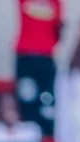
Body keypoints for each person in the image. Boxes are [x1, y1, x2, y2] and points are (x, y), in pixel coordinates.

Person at [13, 0, 61, 129]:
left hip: (46, 58)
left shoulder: (56, 2)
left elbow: (57, 32)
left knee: (47, 100)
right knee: (27, 96)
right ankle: (28, 134)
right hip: (26, 56)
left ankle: (46, 138)